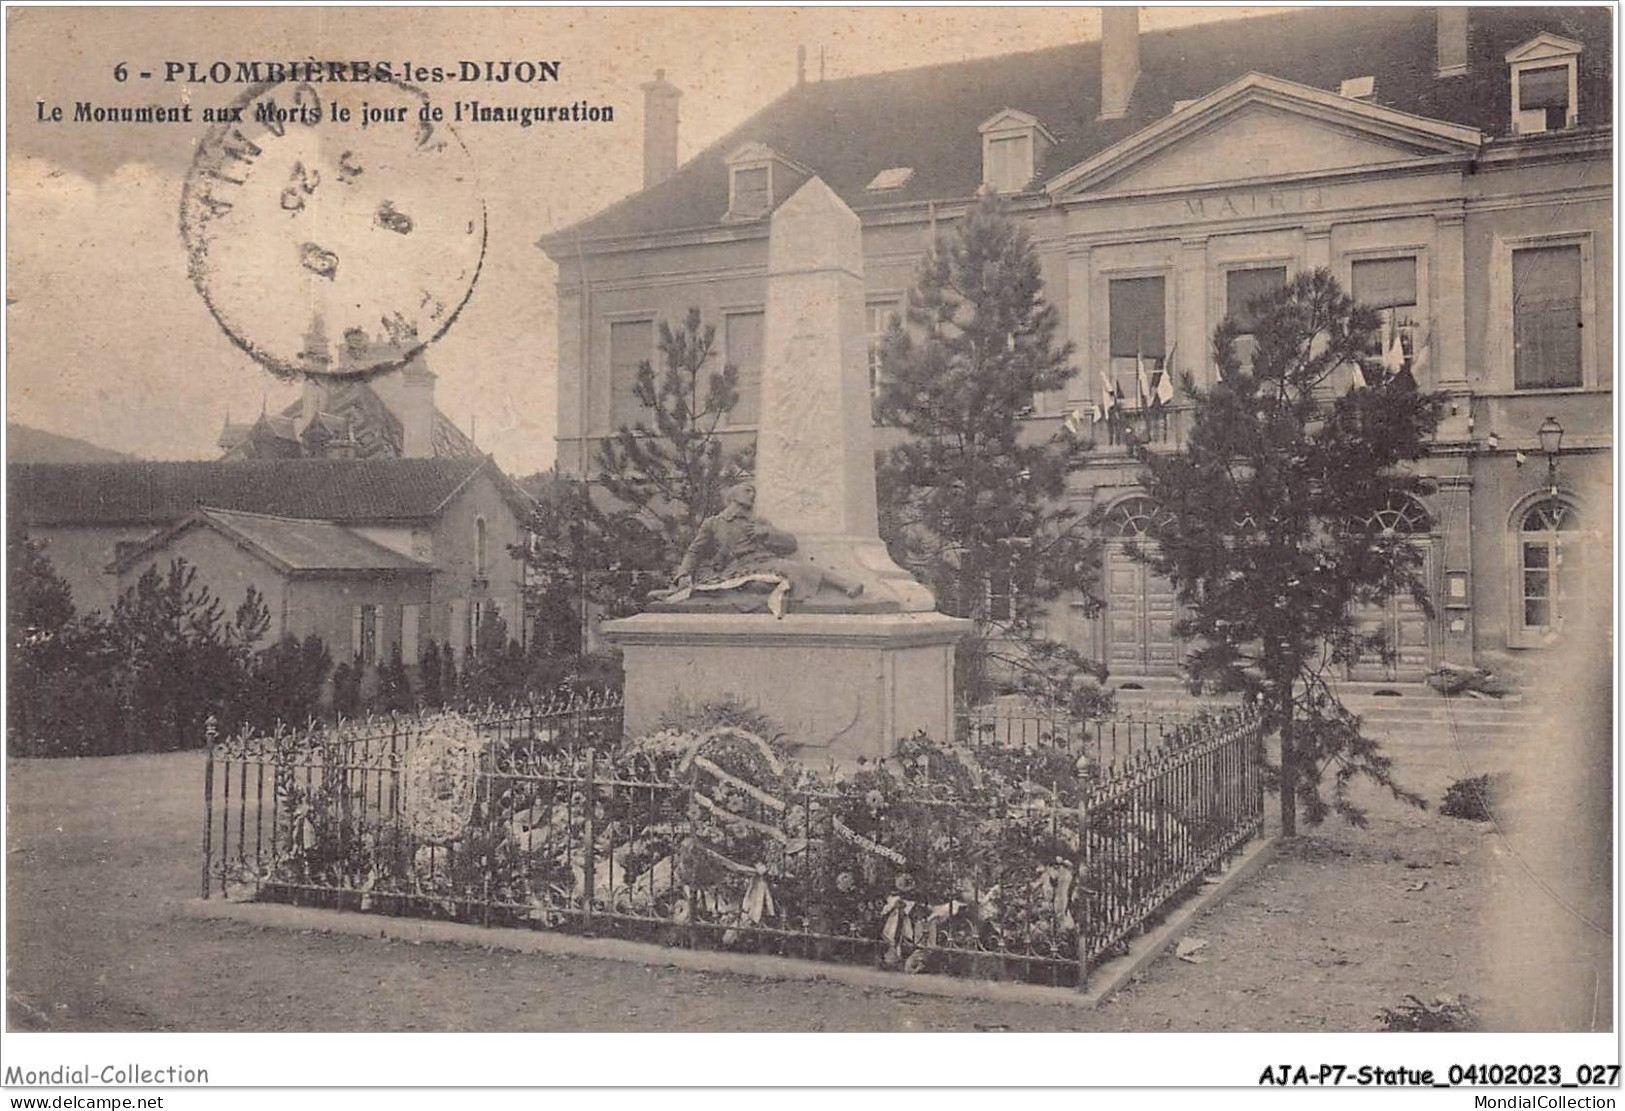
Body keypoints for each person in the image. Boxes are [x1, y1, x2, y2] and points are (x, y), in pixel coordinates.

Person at [651, 482, 862, 617]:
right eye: (747, 490)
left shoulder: (758, 521)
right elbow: (694, 552)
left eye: (754, 491)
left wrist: (766, 533)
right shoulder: (714, 523)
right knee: (762, 584)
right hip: (737, 569)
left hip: (765, 563)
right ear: (732, 496)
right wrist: (683, 575)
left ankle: (847, 585)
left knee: (794, 568)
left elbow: (790, 544)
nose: (752, 494)